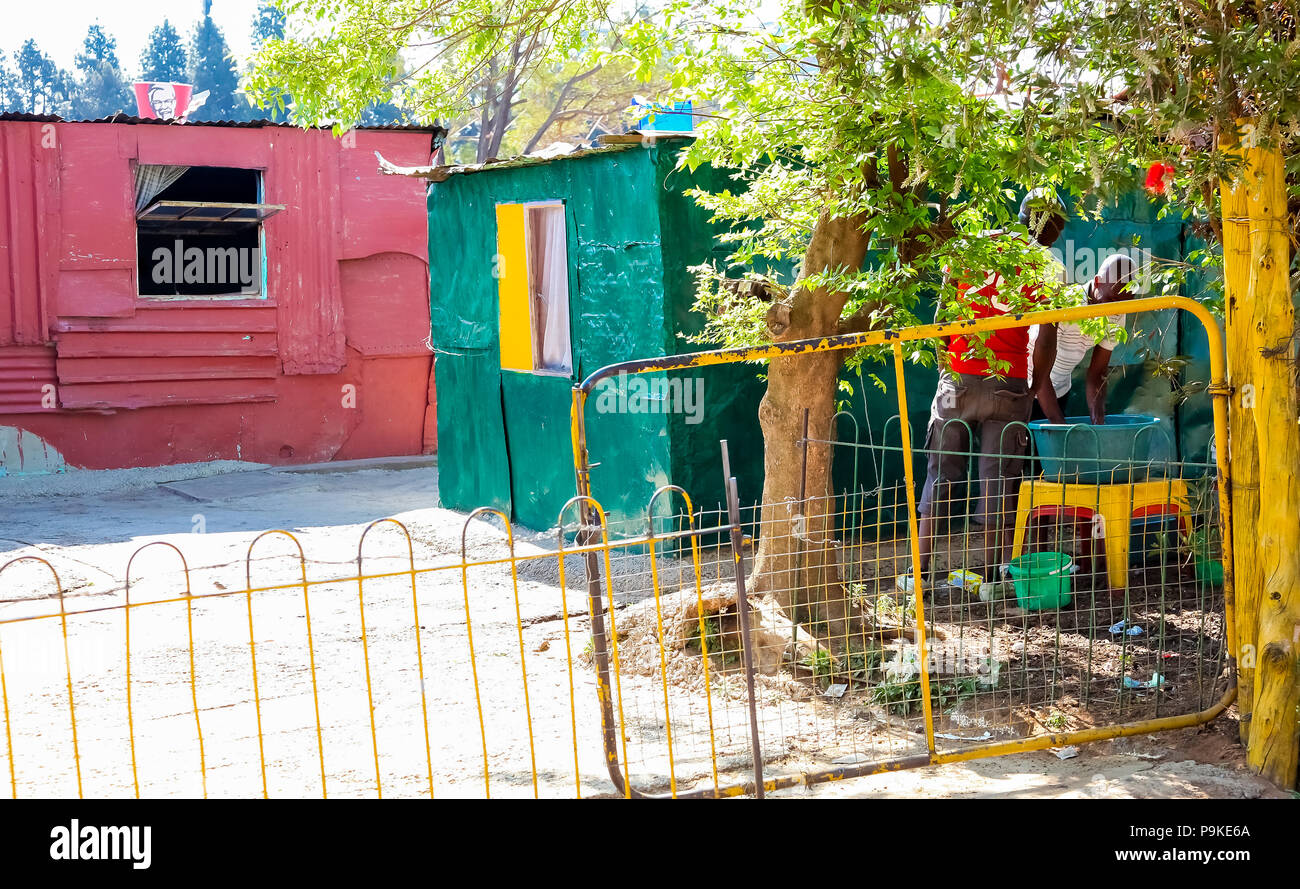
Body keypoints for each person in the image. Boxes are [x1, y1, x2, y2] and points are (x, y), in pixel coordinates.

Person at [902, 189, 1067, 590]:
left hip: (957, 380)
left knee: (940, 475)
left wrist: (947, 369)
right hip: (1008, 385)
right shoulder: (1047, 266)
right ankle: (991, 579)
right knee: (999, 482)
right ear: (1051, 228)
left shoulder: (972, 247)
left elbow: (942, 318)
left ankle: (918, 575)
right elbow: (1046, 338)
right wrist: (1034, 387)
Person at [1028, 253, 1137, 425]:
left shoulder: (1118, 311)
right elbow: (1038, 366)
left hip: (1059, 390)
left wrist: (1098, 418)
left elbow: (1097, 371)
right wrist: (1058, 423)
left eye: (1125, 303)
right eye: (1112, 299)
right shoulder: (1065, 305)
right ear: (1097, 282)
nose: (1117, 309)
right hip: (1028, 387)